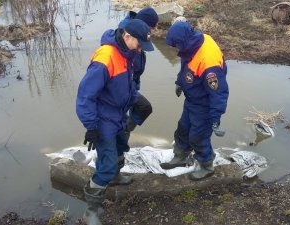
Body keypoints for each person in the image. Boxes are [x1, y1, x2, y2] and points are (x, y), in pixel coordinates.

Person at [76, 19, 154, 202]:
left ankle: (115, 178)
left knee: (121, 147)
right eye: (139, 44)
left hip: (119, 114)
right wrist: (91, 126)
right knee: (107, 164)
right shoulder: (105, 58)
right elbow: (85, 96)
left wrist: (135, 100)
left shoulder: (127, 54)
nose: (140, 49)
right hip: (103, 118)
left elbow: (124, 86)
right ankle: (92, 208)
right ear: (127, 36)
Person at [160, 22, 229, 181]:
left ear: (183, 42)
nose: (176, 50)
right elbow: (186, 65)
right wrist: (180, 82)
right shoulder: (193, 44)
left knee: (198, 136)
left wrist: (216, 119)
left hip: (205, 104)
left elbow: (219, 93)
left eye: (176, 45)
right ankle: (181, 156)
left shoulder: (208, 63)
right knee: (183, 128)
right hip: (192, 98)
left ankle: (207, 165)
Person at [114, 7, 159, 136]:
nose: (151, 32)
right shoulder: (127, 38)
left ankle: (122, 141)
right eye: (151, 28)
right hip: (123, 87)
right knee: (142, 108)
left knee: (138, 111)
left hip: (130, 85)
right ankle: (120, 143)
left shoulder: (135, 35)